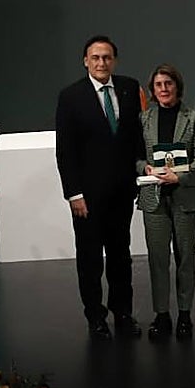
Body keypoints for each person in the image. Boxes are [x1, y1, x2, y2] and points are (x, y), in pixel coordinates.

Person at [54, 35, 143, 339]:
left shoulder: (130, 88)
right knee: (90, 259)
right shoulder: (71, 96)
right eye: (96, 58)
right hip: (87, 197)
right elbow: (65, 150)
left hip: (122, 192)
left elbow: (135, 139)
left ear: (114, 60)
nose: (101, 63)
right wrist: (74, 193)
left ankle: (123, 313)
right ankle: (95, 317)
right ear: (86, 61)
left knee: (121, 256)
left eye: (106, 57)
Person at [135, 64, 195, 340]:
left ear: (177, 86)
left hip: (185, 196)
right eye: (159, 85)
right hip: (153, 199)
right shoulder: (144, 119)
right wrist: (146, 169)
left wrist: (179, 177)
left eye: (168, 83)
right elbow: (137, 157)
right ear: (152, 90)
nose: (164, 89)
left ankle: (185, 315)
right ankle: (162, 315)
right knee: (157, 260)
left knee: (185, 259)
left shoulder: (194, 118)